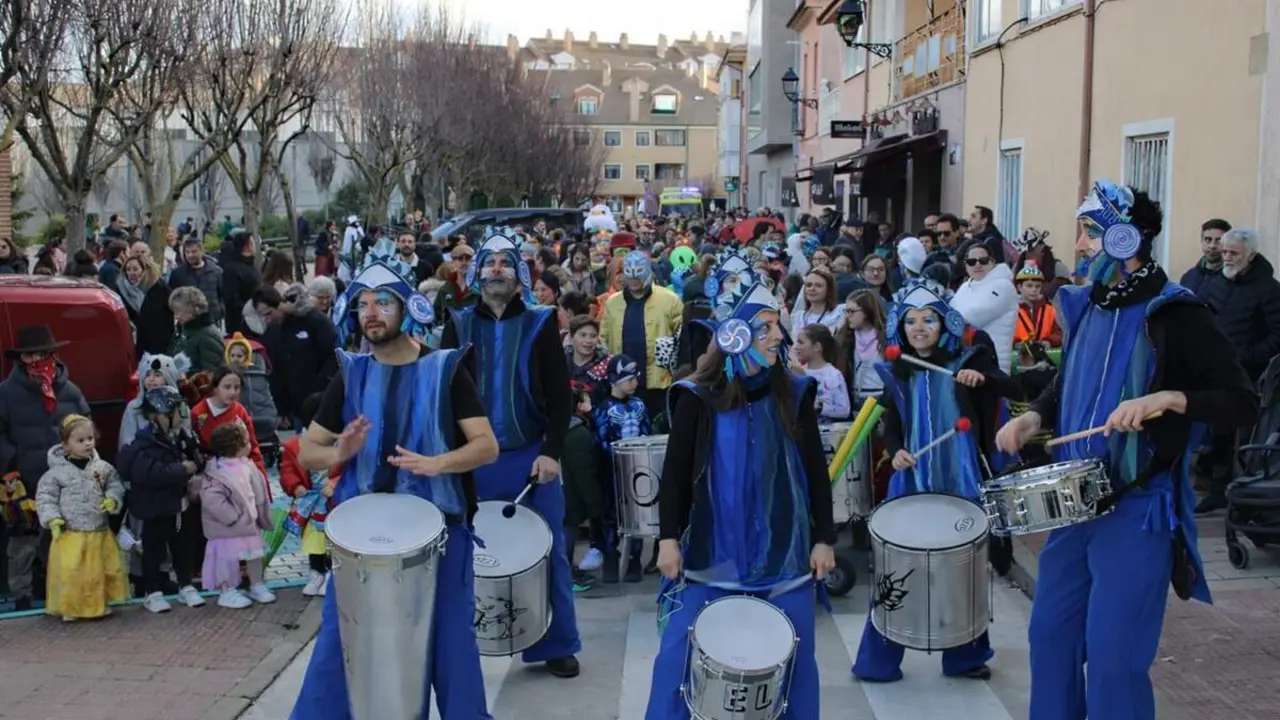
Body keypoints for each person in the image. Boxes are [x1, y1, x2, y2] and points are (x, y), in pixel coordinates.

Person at [994, 180, 1260, 720]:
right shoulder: (1089, 303)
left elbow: (1241, 402)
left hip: (1136, 507)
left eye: (1091, 231)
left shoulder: (1179, 314)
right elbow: (1070, 379)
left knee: (1115, 660)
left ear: (1126, 237)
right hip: (1073, 502)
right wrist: (1037, 418)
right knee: (1051, 640)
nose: (1082, 243)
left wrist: (1170, 397)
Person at [291, 258, 501, 720]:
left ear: (407, 309)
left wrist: (437, 463)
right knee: (340, 640)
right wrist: (341, 452)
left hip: (440, 535)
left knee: (449, 643)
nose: (371, 313)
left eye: (383, 303)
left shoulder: (446, 369)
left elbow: (487, 446)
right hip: (360, 541)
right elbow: (309, 452)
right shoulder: (351, 373)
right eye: (363, 304)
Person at [646, 248, 837, 720]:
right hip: (712, 553)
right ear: (735, 338)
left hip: (786, 553)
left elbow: (815, 470)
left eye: (777, 325)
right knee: (679, 657)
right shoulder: (697, 397)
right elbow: (673, 476)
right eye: (766, 327)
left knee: (794, 664)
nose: (779, 336)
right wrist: (668, 539)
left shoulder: (794, 391)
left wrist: (824, 538)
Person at [851, 280, 1020, 682]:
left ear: (945, 324)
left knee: (965, 569)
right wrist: (896, 452)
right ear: (900, 327)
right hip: (913, 479)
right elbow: (891, 425)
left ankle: (964, 656)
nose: (919, 327)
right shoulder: (899, 370)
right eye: (911, 321)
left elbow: (1009, 387)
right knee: (898, 570)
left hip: (959, 477)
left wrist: (981, 379)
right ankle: (879, 660)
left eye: (929, 319)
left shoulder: (969, 358)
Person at [440, 228, 581, 679]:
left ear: (520, 273)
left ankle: (556, 644)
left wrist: (552, 452)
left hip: (530, 457)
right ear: (477, 272)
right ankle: (467, 641)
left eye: (505, 261)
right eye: (489, 261)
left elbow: (561, 396)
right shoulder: (457, 323)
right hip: (472, 458)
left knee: (550, 551)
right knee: (466, 553)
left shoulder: (540, 322)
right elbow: (442, 393)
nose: (496, 268)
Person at [116, 386, 207, 614]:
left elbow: (199, 457)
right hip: (154, 508)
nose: (181, 415)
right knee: (153, 551)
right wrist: (182, 469)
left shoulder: (182, 437)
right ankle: (152, 591)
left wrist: (196, 459)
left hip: (179, 505)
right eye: (176, 411)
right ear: (160, 416)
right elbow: (150, 473)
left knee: (183, 548)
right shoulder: (143, 444)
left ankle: (185, 585)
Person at [35, 414, 127, 622]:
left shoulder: (102, 467)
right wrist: (52, 519)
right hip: (71, 532)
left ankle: (98, 604)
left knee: (97, 572)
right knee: (72, 572)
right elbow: (45, 497)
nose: (87, 444)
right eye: (80, 440)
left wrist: (112, 500)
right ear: (66, 445)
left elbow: (115, 485)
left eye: (90, 439)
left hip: (98, 530)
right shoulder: (55, 473)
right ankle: (71, 607)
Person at [199, 423, 276, 609]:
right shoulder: (215, 472)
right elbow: (212, 500)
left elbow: (258, 491)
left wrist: (258, 513)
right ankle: (227, 591)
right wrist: (232, 517)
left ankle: (256, 585)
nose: (250, 444)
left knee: (254, 555)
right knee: (225, 558)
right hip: (228, 527)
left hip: (248, 523)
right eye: (246, 441)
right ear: (236, 447)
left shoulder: (248, 466)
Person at [591, 354, 650, 584]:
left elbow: (645, 431)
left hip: (637, 468)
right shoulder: (603, 409)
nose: (634, 383)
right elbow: (600, 439)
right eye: (629, 378)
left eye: (635, 378)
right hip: (611, 470)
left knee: (636, 514)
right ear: (615, 380)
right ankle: (611, 558)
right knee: (610, 516)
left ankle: (635, 560)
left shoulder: (640, 405)